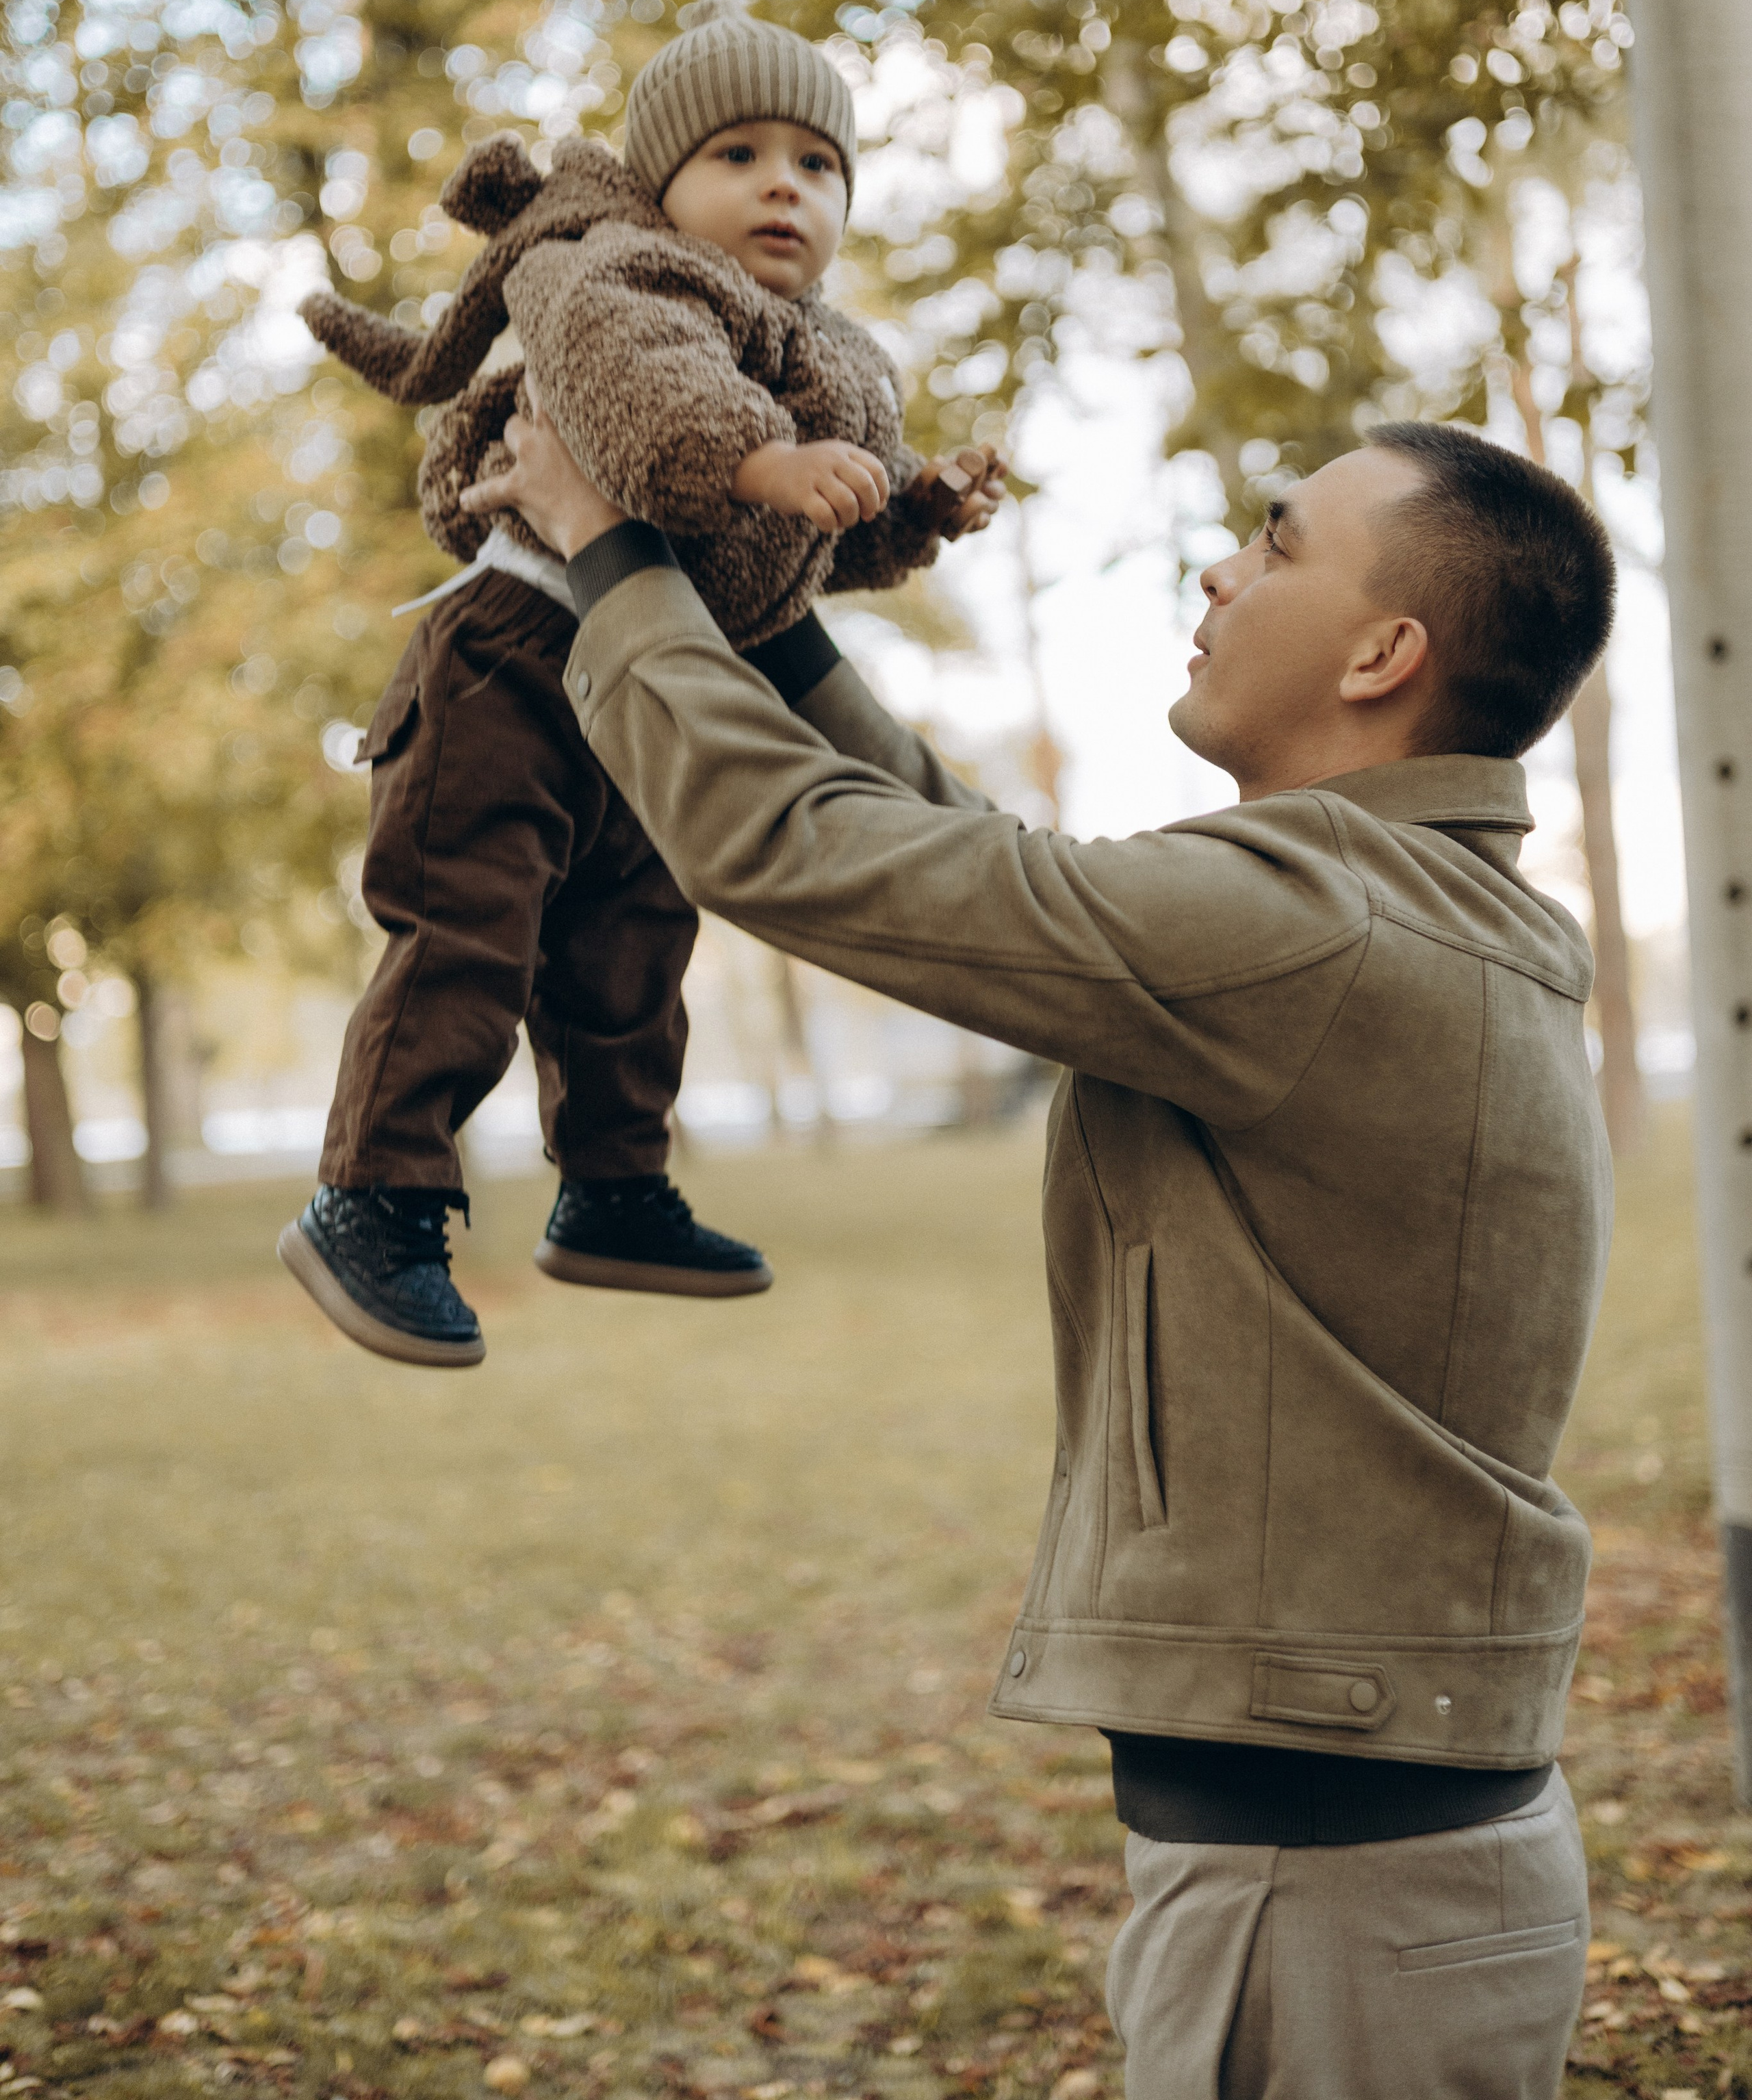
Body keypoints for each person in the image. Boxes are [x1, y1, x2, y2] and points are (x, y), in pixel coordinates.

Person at [465, 402, 1616, 2100]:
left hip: (1336, 1902)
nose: (1220, 568)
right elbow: (980, 868)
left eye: (1278, 541)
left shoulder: (1318, 929)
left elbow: (803, 852)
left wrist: (610, 557)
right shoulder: (1378, 903)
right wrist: (765, 620)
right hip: (1347, 1861)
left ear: (1383, 652)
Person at [278, 3, 1001, 1370]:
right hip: (514, 653)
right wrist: (761, 461)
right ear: (664, 183)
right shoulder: (616, 271)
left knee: (633, 947)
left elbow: (807, 551)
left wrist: (909, 506)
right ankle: (374, 1199)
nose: (784, 183)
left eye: (817, 163)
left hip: (648, 685)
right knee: (466, 927)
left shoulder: (834, 354)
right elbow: (641, 397)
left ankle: (614, 1189)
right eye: (739, 154)